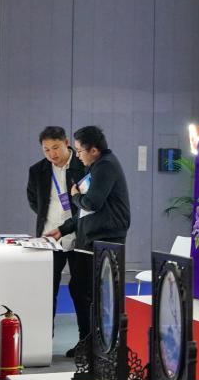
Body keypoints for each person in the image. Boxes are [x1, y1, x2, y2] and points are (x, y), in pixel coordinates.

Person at [45, 125, 130, 355]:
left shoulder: (106, 167)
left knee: (88, 291)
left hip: (104, 239)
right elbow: (85, 213)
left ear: (94, 150)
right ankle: (88, 341)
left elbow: (91, 203)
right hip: (91, 238)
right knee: (80, 289)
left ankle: (95, 343)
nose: (78, 155)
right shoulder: (96, 166)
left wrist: (75, 196)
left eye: (80, 151)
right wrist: (62, 229)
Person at [25, 126, 85, 330]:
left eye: (56, 147)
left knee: (81, 291)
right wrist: (48, 218)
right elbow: (34, 201)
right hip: (50, 238)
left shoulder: (83, 166)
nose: (52, 154)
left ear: (66, 143)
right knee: (47, 289)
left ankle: (85, 340)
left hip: (79, 236)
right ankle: (44, 337)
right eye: (46, 149)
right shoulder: (37, 170)